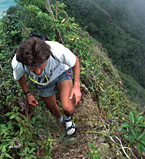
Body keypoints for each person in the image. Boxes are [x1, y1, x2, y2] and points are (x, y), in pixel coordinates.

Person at [11, 36, 81, 136]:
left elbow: (75, 61)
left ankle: (68, 119)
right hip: (42, 82)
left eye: (41, 66)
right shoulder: (18, 62)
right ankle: (60, 121)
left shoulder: (56, 50)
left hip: (61, 72)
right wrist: (27, 94)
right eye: (33, 69)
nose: (38, 71)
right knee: (51, 106)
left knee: (68, 108)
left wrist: (76, 86)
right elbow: (19, 77)